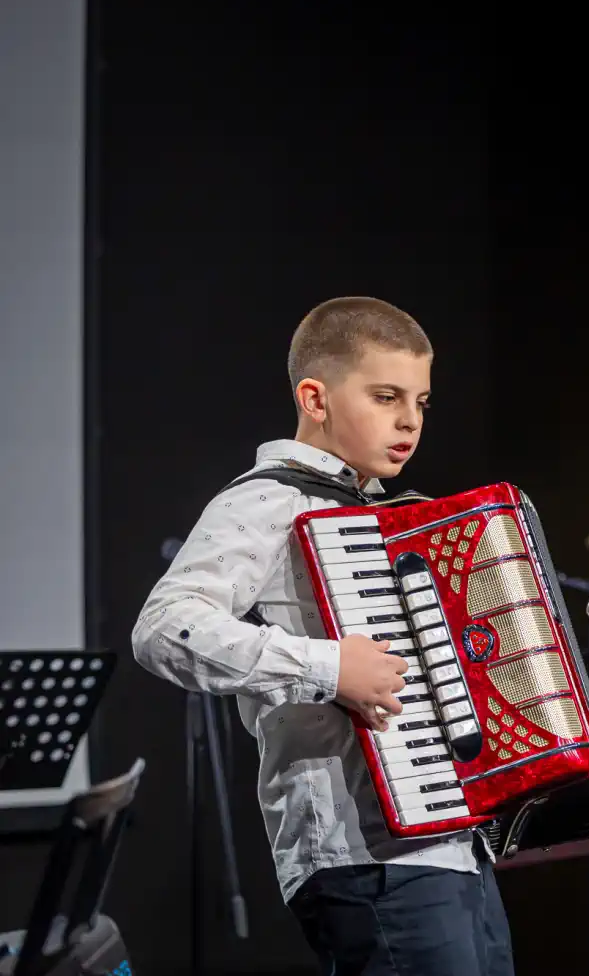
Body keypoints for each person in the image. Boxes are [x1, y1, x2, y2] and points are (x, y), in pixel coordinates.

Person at [132, 297, 514, 976]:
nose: (409, 420)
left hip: (454, 844)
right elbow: (165, 627)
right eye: (386, 395)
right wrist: (326, 666)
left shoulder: (396, 516)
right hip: (364, 855)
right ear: (315, 397)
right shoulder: (267, 500)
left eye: (421, 402)